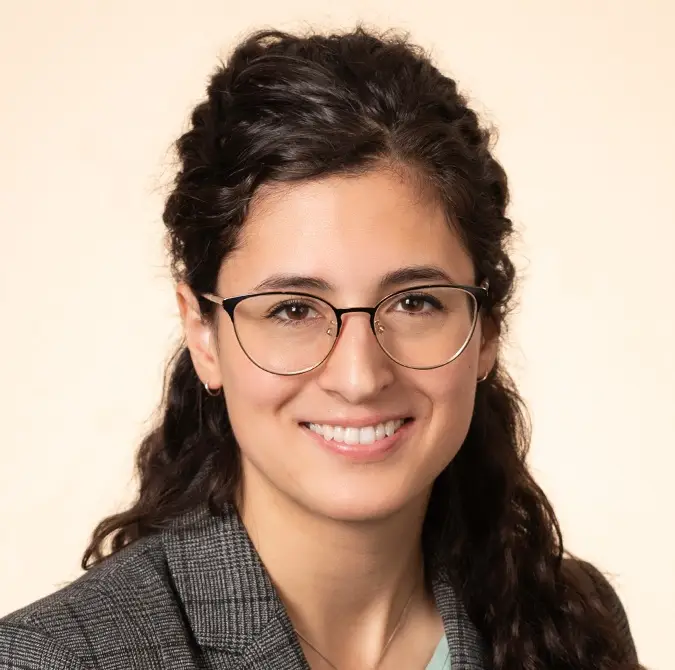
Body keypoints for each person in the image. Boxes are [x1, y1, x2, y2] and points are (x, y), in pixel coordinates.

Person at [0, 26, 640, 670]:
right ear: (203, 333)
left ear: (486, 331)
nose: (359, 376)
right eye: (292, 310)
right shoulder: (54, 657)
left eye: (416, 303)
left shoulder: (573, 617)